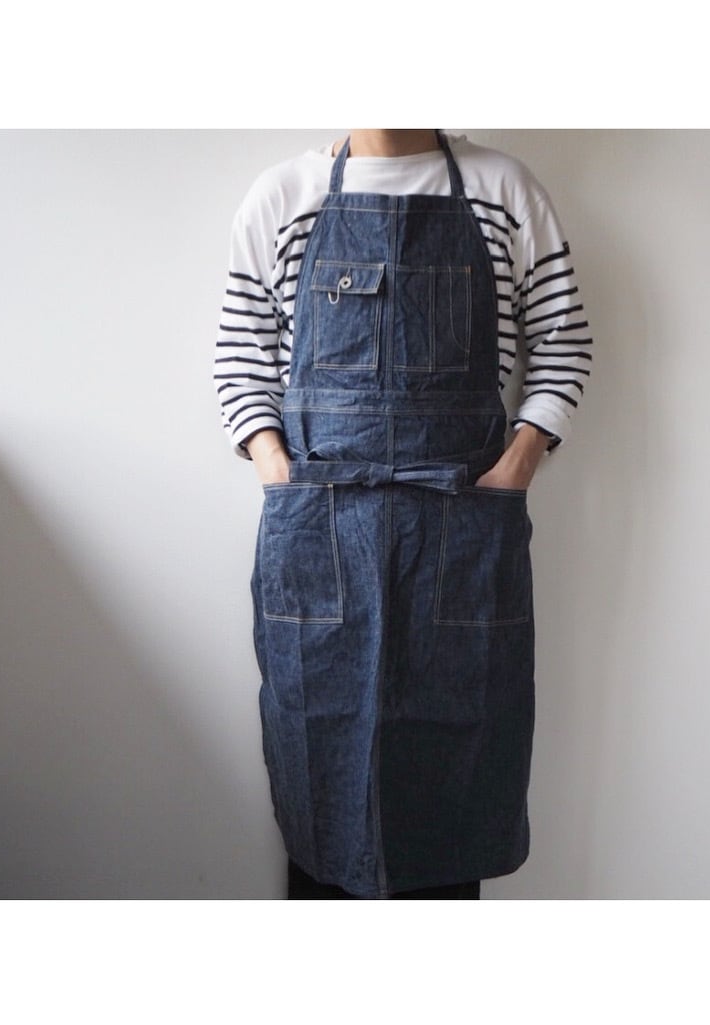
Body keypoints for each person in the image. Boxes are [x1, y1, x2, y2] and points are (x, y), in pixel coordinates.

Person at [215, 130, 590, 898]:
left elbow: (563, 345)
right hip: (318, 538)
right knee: (321, 773)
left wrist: (513, 470)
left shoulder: (504, 191)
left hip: (461, 535)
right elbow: (239, 357)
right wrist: (277, 470)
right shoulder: (283, 197)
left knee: (451, 777)